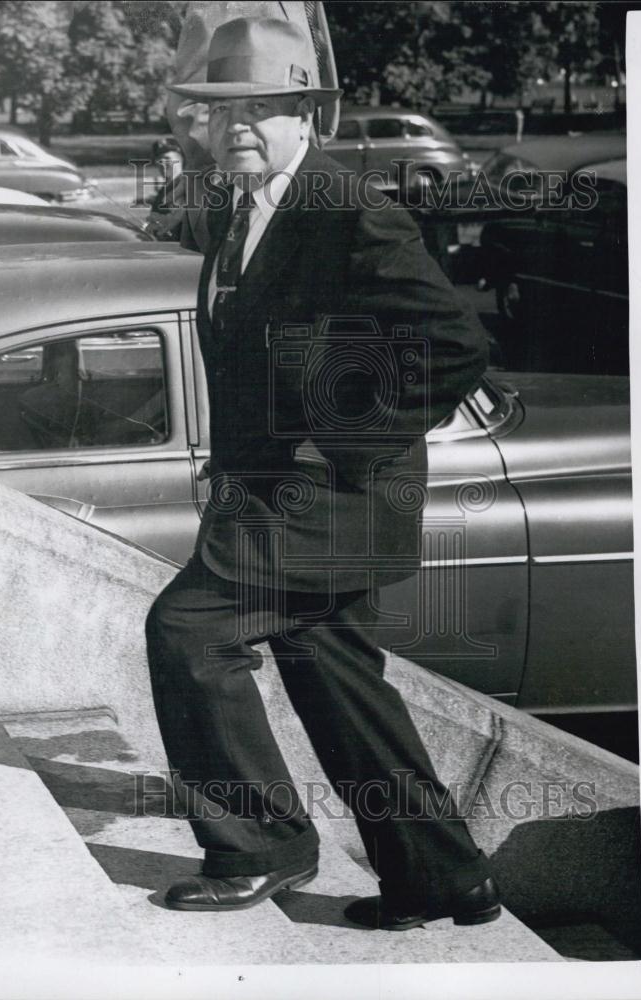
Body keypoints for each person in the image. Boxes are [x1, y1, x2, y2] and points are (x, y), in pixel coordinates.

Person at [145, 16, 501, 931]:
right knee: (331, 669)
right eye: (224, 114)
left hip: (328, 501)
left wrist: (337, 441)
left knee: (187, 631)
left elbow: (455, 344)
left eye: (264, 110)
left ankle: (260, 845)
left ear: (310, 114)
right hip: (281, 505)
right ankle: (441, 875)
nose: (240, 130)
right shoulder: (241, 206)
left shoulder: (345, 209)